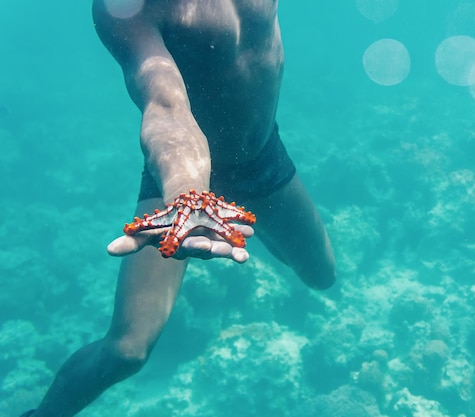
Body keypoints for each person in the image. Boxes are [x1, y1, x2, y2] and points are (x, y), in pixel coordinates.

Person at [21, 0, 335, 415]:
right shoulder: (126, 8)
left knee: (321, 275)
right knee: (127, 350)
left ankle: (247, 226)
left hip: (262, 157)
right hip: (181, 180)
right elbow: (164, 105)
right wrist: (189, 195)